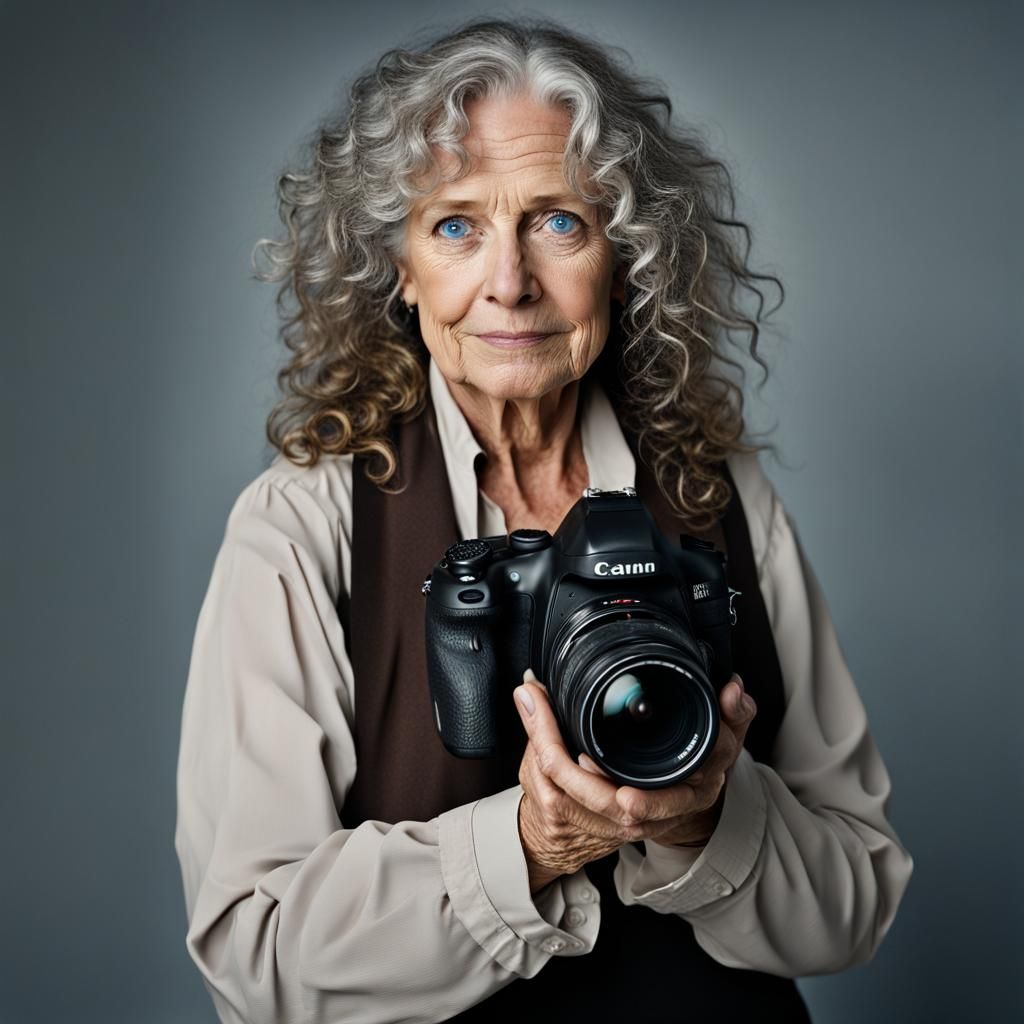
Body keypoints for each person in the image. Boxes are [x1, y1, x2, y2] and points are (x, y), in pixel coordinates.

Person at [174, 16, 913, 1024]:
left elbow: (856, 904)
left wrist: (708, 823)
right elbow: (253, 951)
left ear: (623, 253)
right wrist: (528, 844)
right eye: (456, 225)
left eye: (559, 221)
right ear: (399, 264)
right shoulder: (305, 523)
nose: (510, 282)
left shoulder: (716, 495)